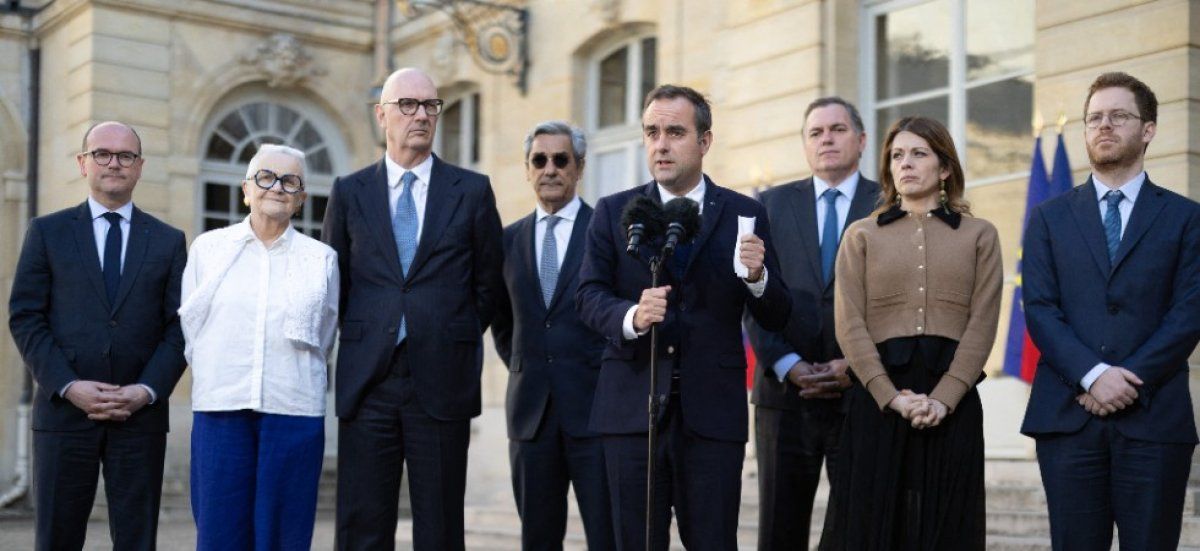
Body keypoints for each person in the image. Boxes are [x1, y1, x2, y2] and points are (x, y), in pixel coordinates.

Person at [577, 84, 791, 550]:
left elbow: (777, 313)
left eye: (675, 132)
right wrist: (632, 316)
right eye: (651, 132)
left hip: (711, 416)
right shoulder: (614, 211)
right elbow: (588, 295)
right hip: (631, 413)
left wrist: (758, 277)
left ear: (704, 141)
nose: (661, 144)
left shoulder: (745, 213)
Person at [323, 67, 504, 551]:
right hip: (369, 381)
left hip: (442, 379)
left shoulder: (472, 190)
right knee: (362, 526)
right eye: (407, 104)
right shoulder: (349, 192)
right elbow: (336, 283)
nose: (420, 115)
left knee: (440, 528)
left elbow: (488, 283)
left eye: (430, 105)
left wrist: (447, 331)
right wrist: (371, 332)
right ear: (382, 115)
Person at [1020, 72, 1200, 550]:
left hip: (1154, 418)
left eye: (1119, 116)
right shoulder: (1048, 217)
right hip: (1067, 417)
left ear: (1148, 129)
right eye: (1094, 118)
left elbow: (1189, 313)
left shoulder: (1187, 218)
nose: (1104, 125)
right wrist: (1093, 375)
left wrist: (1126, 380)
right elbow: (1040, 309)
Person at [819, 116, 1002, 550]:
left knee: (946, 529)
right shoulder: (861, 235)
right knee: (871, 529)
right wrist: (891, 396)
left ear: (945, 168)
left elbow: (983, 324)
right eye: (897, 155)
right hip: (878, 401)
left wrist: (944, 398)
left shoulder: (980, 235)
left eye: (919, 153)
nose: (906, 163)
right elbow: (849, 324)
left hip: (953, 402)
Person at [8, 121, 188, 550]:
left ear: (140, 166)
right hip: (63, 414)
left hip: (139, 417)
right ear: (83, 163)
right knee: (57, 539)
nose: (114, 163)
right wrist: (68, 385)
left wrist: (146, 390)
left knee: (136, 540)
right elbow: (26, 317)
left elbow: (181, 326)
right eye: (102, 154)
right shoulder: (47, 232)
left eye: (126, 156)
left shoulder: (168, 241)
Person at [179, 144, 338, 550]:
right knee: (219, 533)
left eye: (290, 181)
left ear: (301, 199)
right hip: (221, 407)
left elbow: (325, 333)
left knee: (284, 535)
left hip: (294, 410)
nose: (278, 187)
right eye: (266, 177)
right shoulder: (208, 249)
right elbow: (192, 327)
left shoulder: (321, 259)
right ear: (246, 190)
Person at [745, 96, 880, 550]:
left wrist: (857, 365)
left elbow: (898, 302)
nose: (827, 139)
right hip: (785, 397)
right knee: (779, 531)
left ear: (861, 140)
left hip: (863, 395)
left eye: (838, 130)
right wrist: (787, 363)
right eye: (816, 132)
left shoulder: (888, 204)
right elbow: (752, 293)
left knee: (861, 531)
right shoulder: (769, 205)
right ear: (805, 145)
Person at [491, 121, 614, 550]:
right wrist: (530, 368)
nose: (550, 169)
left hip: (595, 413)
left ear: (579, 167)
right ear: (527, 169)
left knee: (609, 537)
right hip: (531, 417)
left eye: (561, 160)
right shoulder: (507, 241)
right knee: (537, 540)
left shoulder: (606, 231)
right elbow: (504, 324)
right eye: (539, 160)